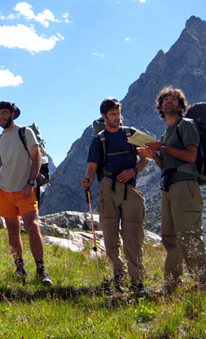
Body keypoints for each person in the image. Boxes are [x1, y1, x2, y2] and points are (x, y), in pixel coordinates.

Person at [137, 86, 206, 295]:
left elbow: (190, 156)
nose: (169, 101)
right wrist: (153, 155)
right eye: (165, 100)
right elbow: (167, 165)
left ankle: (204, 283)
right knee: (169, 237)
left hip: (185, 185)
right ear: (160, 107)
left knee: (189, 234)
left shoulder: (186, 125)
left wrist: (161, 147)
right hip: (169, 186)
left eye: (174, 99)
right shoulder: (168, 132)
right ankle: (172, 284)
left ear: (180, 106)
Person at [0, 101, 52, 286]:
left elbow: (36, 157)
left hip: (25, 189)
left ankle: (41, 269)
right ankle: (20, 268)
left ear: (13, 114)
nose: (1, 117)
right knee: (12, 230)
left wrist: (30, 182)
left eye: (4, 113)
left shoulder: (25, 132)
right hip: (5, 191)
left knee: (32, 226)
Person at [81, 97, 149, 294]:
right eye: (113, 114)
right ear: (104, 116)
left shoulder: (131, 134)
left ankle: (137, 281)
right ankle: (119, 273)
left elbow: (147, 156)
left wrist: (133, 171)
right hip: (108, 188)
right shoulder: (98, 140)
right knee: (110, 237)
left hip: (130, 189)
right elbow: (92, 167)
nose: (117, 117)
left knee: (133, 236)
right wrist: (88, 180)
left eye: (118, 113)